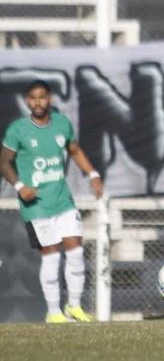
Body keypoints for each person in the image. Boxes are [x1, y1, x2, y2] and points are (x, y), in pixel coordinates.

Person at [0, 81, 104, 324]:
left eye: (42, 97)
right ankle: (54, 312)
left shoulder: (61, 124)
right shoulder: (18, 130)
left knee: (76, 251)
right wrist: (19, 186)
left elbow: (75, 150)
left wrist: (93, 175)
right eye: (33, 97)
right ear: (27, 100)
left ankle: (75, 307)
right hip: (36, 204)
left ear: (50, 99)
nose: (38, 102)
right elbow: (4, 162)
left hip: (62, 200)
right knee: (52, 256)